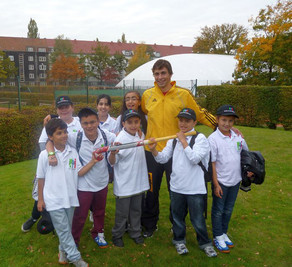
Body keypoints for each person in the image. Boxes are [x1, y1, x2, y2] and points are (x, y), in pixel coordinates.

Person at [141, 59, 217, 238]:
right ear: (154, 75)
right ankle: (150, 225)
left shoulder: (183, 94)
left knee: (176, 191)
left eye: (163, 73)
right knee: (151, 191)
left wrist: (219, 126)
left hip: (176, 152)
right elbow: (142, 114)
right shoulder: (147, 95)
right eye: (157, 74)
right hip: (152, 153)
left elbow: (199, 113)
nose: (160, 77)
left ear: (170, 74)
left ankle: (176, 226)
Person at [148, 108, 217, 257]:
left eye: (187, 121)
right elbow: (162, 159)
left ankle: (205, 243)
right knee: (177, 218)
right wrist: (153, 150)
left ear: (194, 122)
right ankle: (179, 241)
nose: (183, 123)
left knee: (197, 219)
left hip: (195, 188)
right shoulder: (173, 140)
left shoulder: (200, 139)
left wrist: (184, 141)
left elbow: (195, 158)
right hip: (177, 187)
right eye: (181, 120)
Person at [21, 96, 81, 232]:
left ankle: (62, 225)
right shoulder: (52, 123)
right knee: (41, 194)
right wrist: (51, 154)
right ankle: (35, 218)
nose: (64, 109)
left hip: (72, 163)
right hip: (52, 165)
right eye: (61, 107)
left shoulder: (78, 122)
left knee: (71, 193)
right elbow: (45, 142)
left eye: (67, 106)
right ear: (57, 110)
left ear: (72, 107)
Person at [36, 118, 88, 267]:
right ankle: (76, 258)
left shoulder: (73, 152)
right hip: (53, 200)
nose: (64, 135)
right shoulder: (45, 155)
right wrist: (40, 199)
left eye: (65, 132)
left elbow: (79, 172)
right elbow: (41, 178)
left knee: (64, 229)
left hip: (70, 198)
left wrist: (93, 161)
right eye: (59, 133)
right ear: (51, 137)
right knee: (64, 230)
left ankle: (62, 254)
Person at [66, 107, 116, 248]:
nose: (89, 126)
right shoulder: (75, 137)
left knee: (99, 212)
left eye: (93, 122)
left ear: (99, 121)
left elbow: (115, 155)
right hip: (83, 184)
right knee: (80, 215)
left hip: (102, 181)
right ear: (80, 124)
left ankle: (98, 233)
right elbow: (53, 138)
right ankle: (74, 240)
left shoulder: (108, 136)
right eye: (85, 123)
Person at [208, 104, 253, 253]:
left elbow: (246, 154)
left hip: (235, 180)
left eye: (230, 121)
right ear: (217, 119)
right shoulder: (213, 139)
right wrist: (215, 184)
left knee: (228, 209)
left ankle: (223, 233)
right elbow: (212, 164)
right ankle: (217, 236)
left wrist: (249, 170)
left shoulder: (237, 136)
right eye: (224, 120)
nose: (227, 124)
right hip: (220, 181)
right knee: (218, 210)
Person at [109, 109, 149, 247]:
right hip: (125, 184)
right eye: (130, 122)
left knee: (136, 211)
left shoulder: (140, 135)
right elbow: (112, 162)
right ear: (123, 123)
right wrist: (113, 153)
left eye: (136, 122)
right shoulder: (120, 139)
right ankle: (117, 234)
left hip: (138, 182)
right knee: (122, 213)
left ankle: (135, 232)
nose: (133, 125)